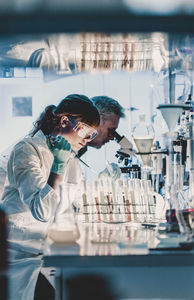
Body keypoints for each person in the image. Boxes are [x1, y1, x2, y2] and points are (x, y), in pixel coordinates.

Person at [0, 94, 100, 300]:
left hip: (52, 256)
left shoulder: (71, 159)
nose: (87, 140)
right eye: (86, 131)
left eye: (92, 134)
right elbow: (42, 211)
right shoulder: (27, 149)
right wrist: (57, 168)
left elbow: (75, 209)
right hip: (21, 256)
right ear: (64, 121)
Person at [78, 96, 125, 180]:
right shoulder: (63, 149)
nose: (111, 138)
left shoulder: (80, 149)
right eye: (111, 130)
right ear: (94, 121)